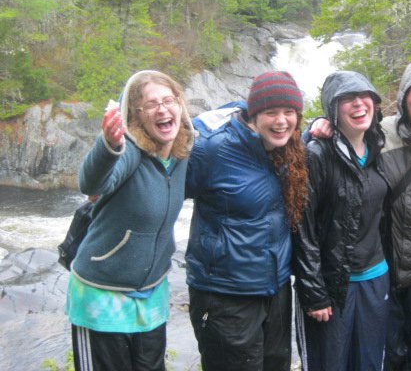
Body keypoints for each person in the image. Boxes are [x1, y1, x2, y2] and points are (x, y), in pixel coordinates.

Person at [308, 62, 411, 370]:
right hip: (383, 270)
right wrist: (319, 123)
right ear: (403, 96)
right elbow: (341, 138)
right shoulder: (379, 133)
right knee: (385, 356)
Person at [68, 70, 194, 371]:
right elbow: (91, 184)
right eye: (151, 104)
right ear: (136, 115)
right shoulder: (129, 150)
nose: (162, 109)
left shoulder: (183, 152)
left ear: (180, 105)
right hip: (102, 295)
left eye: (168, 100)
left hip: (151, 293)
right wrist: (108, 145)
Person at [185, 71, 308, 371]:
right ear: (254, 115)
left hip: (275, 289)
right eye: (271, 112)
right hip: (225, 294)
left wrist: (321, 125)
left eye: (289, 112)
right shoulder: (212, 149)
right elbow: (164, 189)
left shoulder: (291, 147)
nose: (282, 121)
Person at [294, 70, 390, 371]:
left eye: (364, 96)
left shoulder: (378, 146)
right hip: (333, 287)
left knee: (369, 363)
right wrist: (314, 293)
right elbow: (303, 227)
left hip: (376, 278)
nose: (359, 103)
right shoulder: (317, 154)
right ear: (332, 109)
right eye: (348, 98)